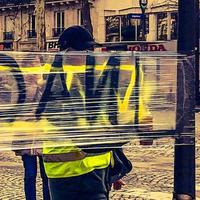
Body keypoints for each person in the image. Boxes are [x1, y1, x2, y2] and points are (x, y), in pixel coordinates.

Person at [37, 25, 152, 200]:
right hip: (65, 173)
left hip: (98, 169)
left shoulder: (94, 77)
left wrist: (115, 165)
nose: (89, 54)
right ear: (66, 52)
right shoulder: (48, 77)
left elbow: (106, 120)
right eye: (84, 50)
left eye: (90, 49)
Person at [12, 54, 50, 200]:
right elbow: (17, 107)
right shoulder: (20, 86)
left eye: (37, 64)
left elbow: (48, 106)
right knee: (30, 174)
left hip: (43, 136)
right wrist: (31, 86)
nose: (34, 68)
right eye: (31, 65)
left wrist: (41, 85)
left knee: (47, 175)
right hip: (25, 137)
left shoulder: (46, 84)